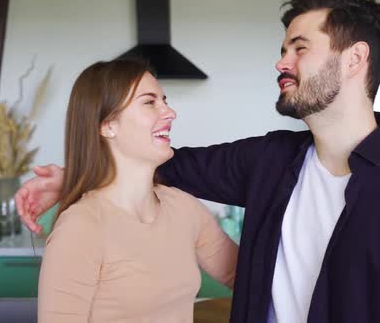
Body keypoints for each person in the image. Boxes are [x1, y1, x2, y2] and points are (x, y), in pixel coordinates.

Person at [17, 0, 380, 322]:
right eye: (282, 49)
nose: (281, 62)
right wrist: (76, 176)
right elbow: (158, 161)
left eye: (299, 48)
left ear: (354, 60)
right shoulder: (271, 161)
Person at [36, 58, 238, 322]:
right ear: (107, 125)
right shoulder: (81, 227)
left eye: (165, 100)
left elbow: (250, 277)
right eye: (149, 102)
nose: (169, 112)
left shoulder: (183, 208)